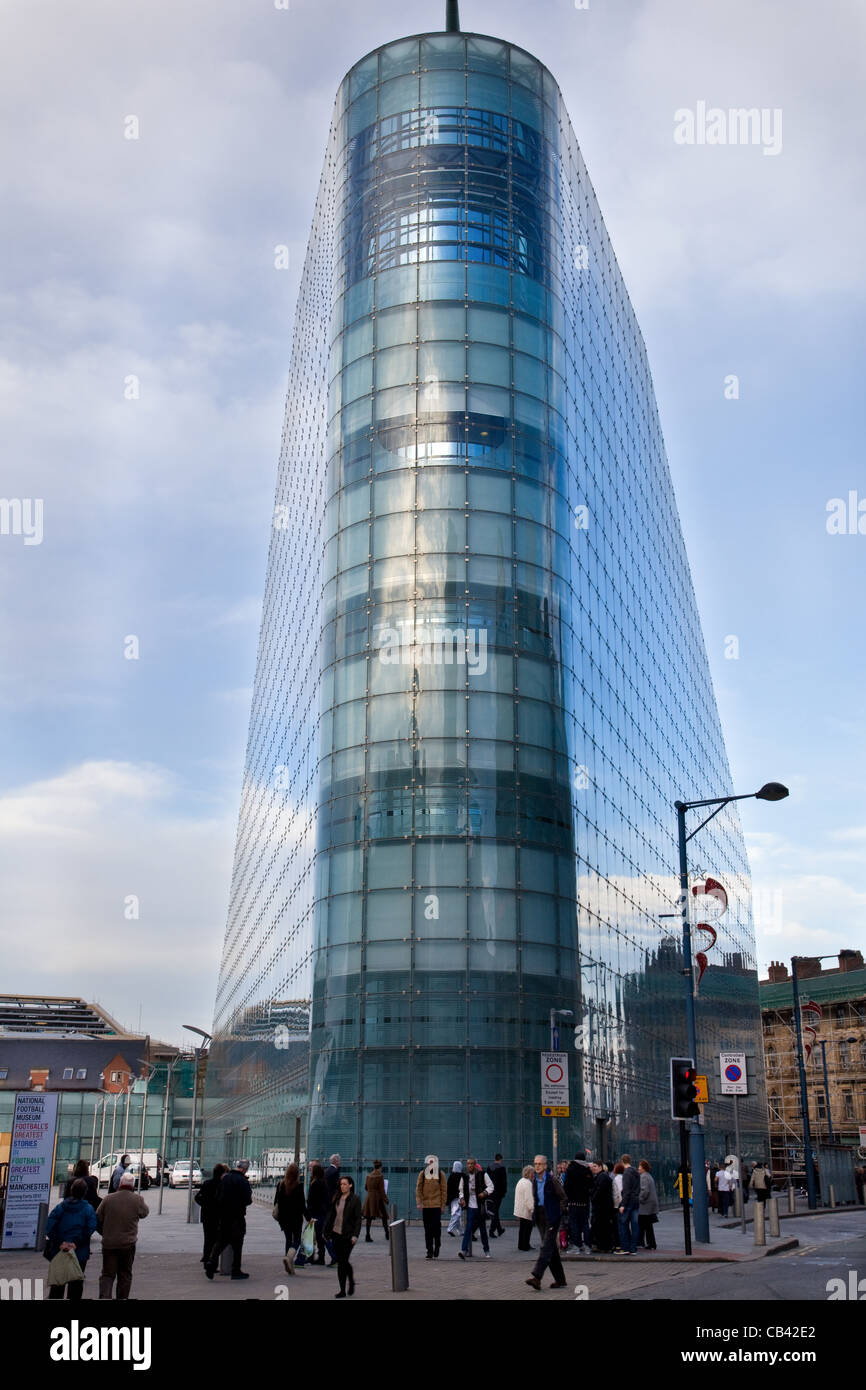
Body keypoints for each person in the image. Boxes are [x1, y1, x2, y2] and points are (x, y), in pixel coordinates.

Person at [96, 1171, 149, 1299]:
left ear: (120, 1183)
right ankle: (122, 1297)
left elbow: (98, 1215)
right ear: (133, 1185)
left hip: (109, 1243)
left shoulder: (108, 1198)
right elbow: (145, 1213)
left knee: (108, 1274)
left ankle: (105, 1297)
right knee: (125, 1274)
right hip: (128, 1243)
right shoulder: (138, 1199)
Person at [45, 1178, 99, 1301]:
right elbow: (91, 1227)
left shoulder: (60, 1207)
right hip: (79, 1251)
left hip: (60, 1250)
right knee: (76, 1285)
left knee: (58, 1285)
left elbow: (49, 1227)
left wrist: (60, 1242)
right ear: (85, 1192)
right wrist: (76, 1242)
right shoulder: (88, 1209)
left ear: (71, 1190)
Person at [204, 1158, 253, 1281]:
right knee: (237, 1243)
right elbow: (248, 1200)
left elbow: (218, 1197)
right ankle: (236, 1269)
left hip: (225, 1216)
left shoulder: (225, 1178)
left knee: (221, 1241)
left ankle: (211, 1263)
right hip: (237, 1216)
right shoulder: (242, 1181)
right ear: (244, 1168)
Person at [525, 1155, 568, 1290]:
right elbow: (536, 1198)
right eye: (535, 1163)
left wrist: (558, 1212)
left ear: (545, 1166)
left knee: (545, 1247)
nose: (537, 1166)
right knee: (551, 1249)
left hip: (552, 1216)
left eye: (539, 1164)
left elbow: (563, 1198)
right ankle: (560, 1280)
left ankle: (537, 1277)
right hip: (540, 1216)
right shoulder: (534, 1181)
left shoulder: (552, 1180)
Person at [324, 1175, 362, 1298]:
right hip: (336, 1234)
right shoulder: (337, 1198)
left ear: (350, 1185)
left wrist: (355, 1235)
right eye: (341, 1184)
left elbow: (358, 1220)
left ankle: (346, 1287)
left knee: (342, 1262)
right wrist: (326, 1232)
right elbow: (331, 1216)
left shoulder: (355, 1199)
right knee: (342, 1261)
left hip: (348, 1235)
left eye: (345, 1184)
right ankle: (346, 1284)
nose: (342, 1186)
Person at [274, 1162, 307, 1275]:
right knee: (297, 1240)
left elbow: (276, 1202)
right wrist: (309, 1217)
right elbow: (302, 1205)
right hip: (296, 1218)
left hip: (284, 1219)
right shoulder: (298, 1186)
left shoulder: (280, 1185)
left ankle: (289, 1266)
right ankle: (289, 1258)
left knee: (288, 1239)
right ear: (297, 1174)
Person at [457, 1157, 493, 1259]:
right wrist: (462, 1198)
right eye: (468, 1164)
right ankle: (463, 1250)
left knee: (482, 1229)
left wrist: (484, 1193)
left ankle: (486, 1250)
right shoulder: (464, 1176)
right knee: (468, 1228)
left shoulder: (482, 1174)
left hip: (480, 1206)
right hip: (470, 1206)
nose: (470, 1166)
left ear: (475, 1164)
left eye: (472, 1164)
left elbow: (491, 1186)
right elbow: (461, 1190)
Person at [195, 1162, 228, 1263]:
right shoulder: (222, 1184)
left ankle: (206, 1256)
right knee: (217, 1238)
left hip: (206, 1214)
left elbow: (197, 1197)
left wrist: (204, 1205)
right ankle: (212, 1259)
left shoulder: (207, 1183)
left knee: (208, 1237)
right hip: (218, 1215)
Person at [415, 1154, 447, 1259]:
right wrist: (419, 1202)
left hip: (436, 1205)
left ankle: (437, 1245)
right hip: (426, 1206)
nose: (431, 1164)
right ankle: (429, 1250)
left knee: (436, 1228)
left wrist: (443, 1205)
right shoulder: (423, 1174)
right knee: (427, 1229)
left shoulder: (440, 1174)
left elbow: (444, 1191)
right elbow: (418, 1189)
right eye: (429, 1162)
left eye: (433, 1162)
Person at [563, 1150, 592, 1252]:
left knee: (574, 1224)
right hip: (584, 1202)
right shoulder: (587, 1170)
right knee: (585, 1224)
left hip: (573, 1202)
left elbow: (566, 1186)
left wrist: (566, 1201)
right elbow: (591, 1185)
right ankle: (588, 1246)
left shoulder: (571, 1169)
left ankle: (576, 1245)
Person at [306, 1161, 329, 1265]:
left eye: (311, 1169)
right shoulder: (323, 1182)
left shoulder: (315, 1183)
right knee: (317, 1236)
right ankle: (320, 1256)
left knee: (313, 1235)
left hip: (315, 1212)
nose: (310, 1170)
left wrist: (309, 1212)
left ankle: (314, 1257)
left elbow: (312, 1199)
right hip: (321, 1212)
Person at [617, 1153, 640, 1255]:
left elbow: (626, 1190)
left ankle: (625, 1247)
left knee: (622, 1224)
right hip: (635, 1201)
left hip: (628, 1202)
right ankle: (633, 1248)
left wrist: (622, 1204)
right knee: (634, 1225)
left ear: (622, 1162)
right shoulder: (636, 1172)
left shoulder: (626, 1173)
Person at [362, 1159, 390, 1242]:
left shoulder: (369, 1176)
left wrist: (371, 1191)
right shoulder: (380, 1176)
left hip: (369, 1198)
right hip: (378, 1198)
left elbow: (366, 1187)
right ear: (380, 1167)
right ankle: (387, 1234)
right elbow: (382, 1190)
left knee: (369, 1217)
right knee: (384, 1216)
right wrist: (386, 1199)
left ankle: (367, 1235)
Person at [589, 1161, 614, 1252]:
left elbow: (599, 1191)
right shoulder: (601, 1176)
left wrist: (593, 1197)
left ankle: (604, 1246)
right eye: (593, 1166)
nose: (593, 1168)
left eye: (595, 1166)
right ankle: (603, 1245)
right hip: (602, 1206)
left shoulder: (602, 1177)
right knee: (602, 1226)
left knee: (602, 1227)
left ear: (600, 1167)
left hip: (602, 1207)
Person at [637, 1159, 658, 1251]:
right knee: (645, 1225)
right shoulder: (648, 1176)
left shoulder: (643, 1177)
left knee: (645, 1225)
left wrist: (639, 1199)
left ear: (643, 1168)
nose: (638, 1168)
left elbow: (644, 1191)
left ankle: (649, 1243)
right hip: (649, 1205)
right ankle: (646, 1243)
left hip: (645, 1205)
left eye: (640, 1166)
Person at [514, 1164, 536, 1251]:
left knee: (522, 1228)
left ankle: (521, 1245)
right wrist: (532, 1209)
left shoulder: (521, 1181)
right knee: (527, 1229)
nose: (533, 1174)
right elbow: (529, 1198)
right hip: (525, 1210)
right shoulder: (528, 1184)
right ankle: (525, 1245)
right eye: (532, 1173)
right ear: (529, 1173)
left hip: (520, 1209)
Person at [486, 1154, 508, 1237]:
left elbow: (486, 1180)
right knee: (495, 1212)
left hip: (490, 1193)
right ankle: (492, 1231)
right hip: (498, 1193)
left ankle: (499, 1229)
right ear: (500, 1159)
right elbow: (504, 1182)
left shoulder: (489, 1168)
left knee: (495, 1211)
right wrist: (504, 1192)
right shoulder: (502, 1168)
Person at [446, 1160, 465, 1238]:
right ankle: (450, 1228)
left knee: (457, 1214)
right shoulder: (462, 1176)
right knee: (457, 1214)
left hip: (452, 1198)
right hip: (459, 1197)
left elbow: (448, 1188)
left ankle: (460, 1231)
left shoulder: (451, 1176)